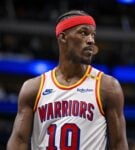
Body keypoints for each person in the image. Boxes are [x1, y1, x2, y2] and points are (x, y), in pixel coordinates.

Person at [7, 10, 128, 150]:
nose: (91, 40)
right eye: (83, 33)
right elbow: (19, 140)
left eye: (93, 35)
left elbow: (119, 144)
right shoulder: (34, 87)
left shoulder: (108, 87)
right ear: (63, 37)